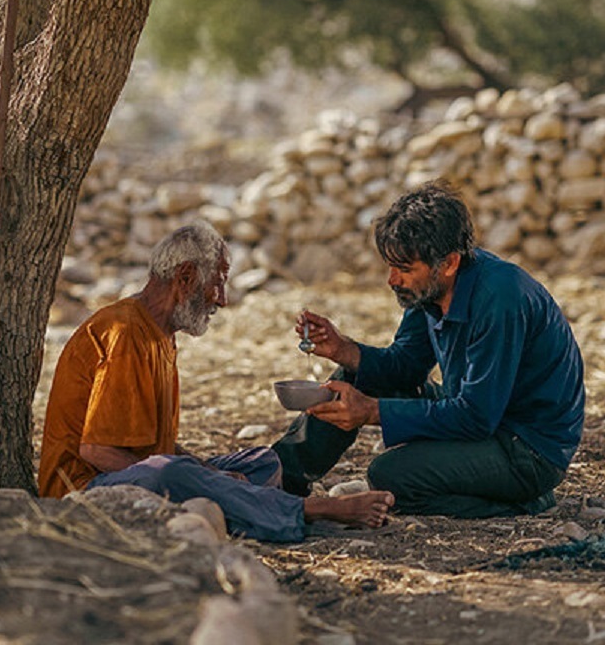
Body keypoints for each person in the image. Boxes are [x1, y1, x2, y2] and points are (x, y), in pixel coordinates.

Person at [37, 220, 394, 542]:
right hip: (83, 491)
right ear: (186, 277)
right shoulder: (125, 332)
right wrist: (199, 475)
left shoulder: (160, 333)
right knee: (172, 474)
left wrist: (207, 471)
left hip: (145, 473)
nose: (222, 299)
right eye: (218, 282)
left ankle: (250, 509)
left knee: (262, 462)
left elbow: (152, 446)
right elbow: (96, 451)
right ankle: (311, 510)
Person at [272, 181, 585, 518]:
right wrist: (343, 349)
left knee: (391, 477)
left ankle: (523, 501)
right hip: (481, 416)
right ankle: (279, 479)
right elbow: (405, 365)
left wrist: (372, 411)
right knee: (357, 375)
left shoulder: (500, 298)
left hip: (526, 449)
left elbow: (477, 416)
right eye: (391, 267)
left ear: (448, 263)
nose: (392, 280)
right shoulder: (430, 289)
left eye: (405, 269)